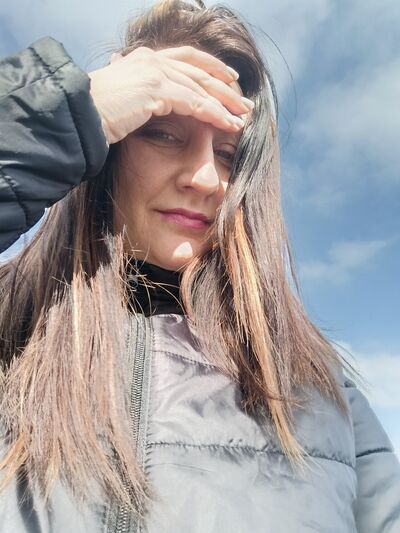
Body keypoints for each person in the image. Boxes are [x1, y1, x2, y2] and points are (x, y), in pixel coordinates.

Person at [0, 0, 399, 531]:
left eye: (229, 154)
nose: (207, 179)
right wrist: (66, 113)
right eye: (164, 133)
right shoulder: (12, 321)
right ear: (110, 143)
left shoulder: (318, 382)